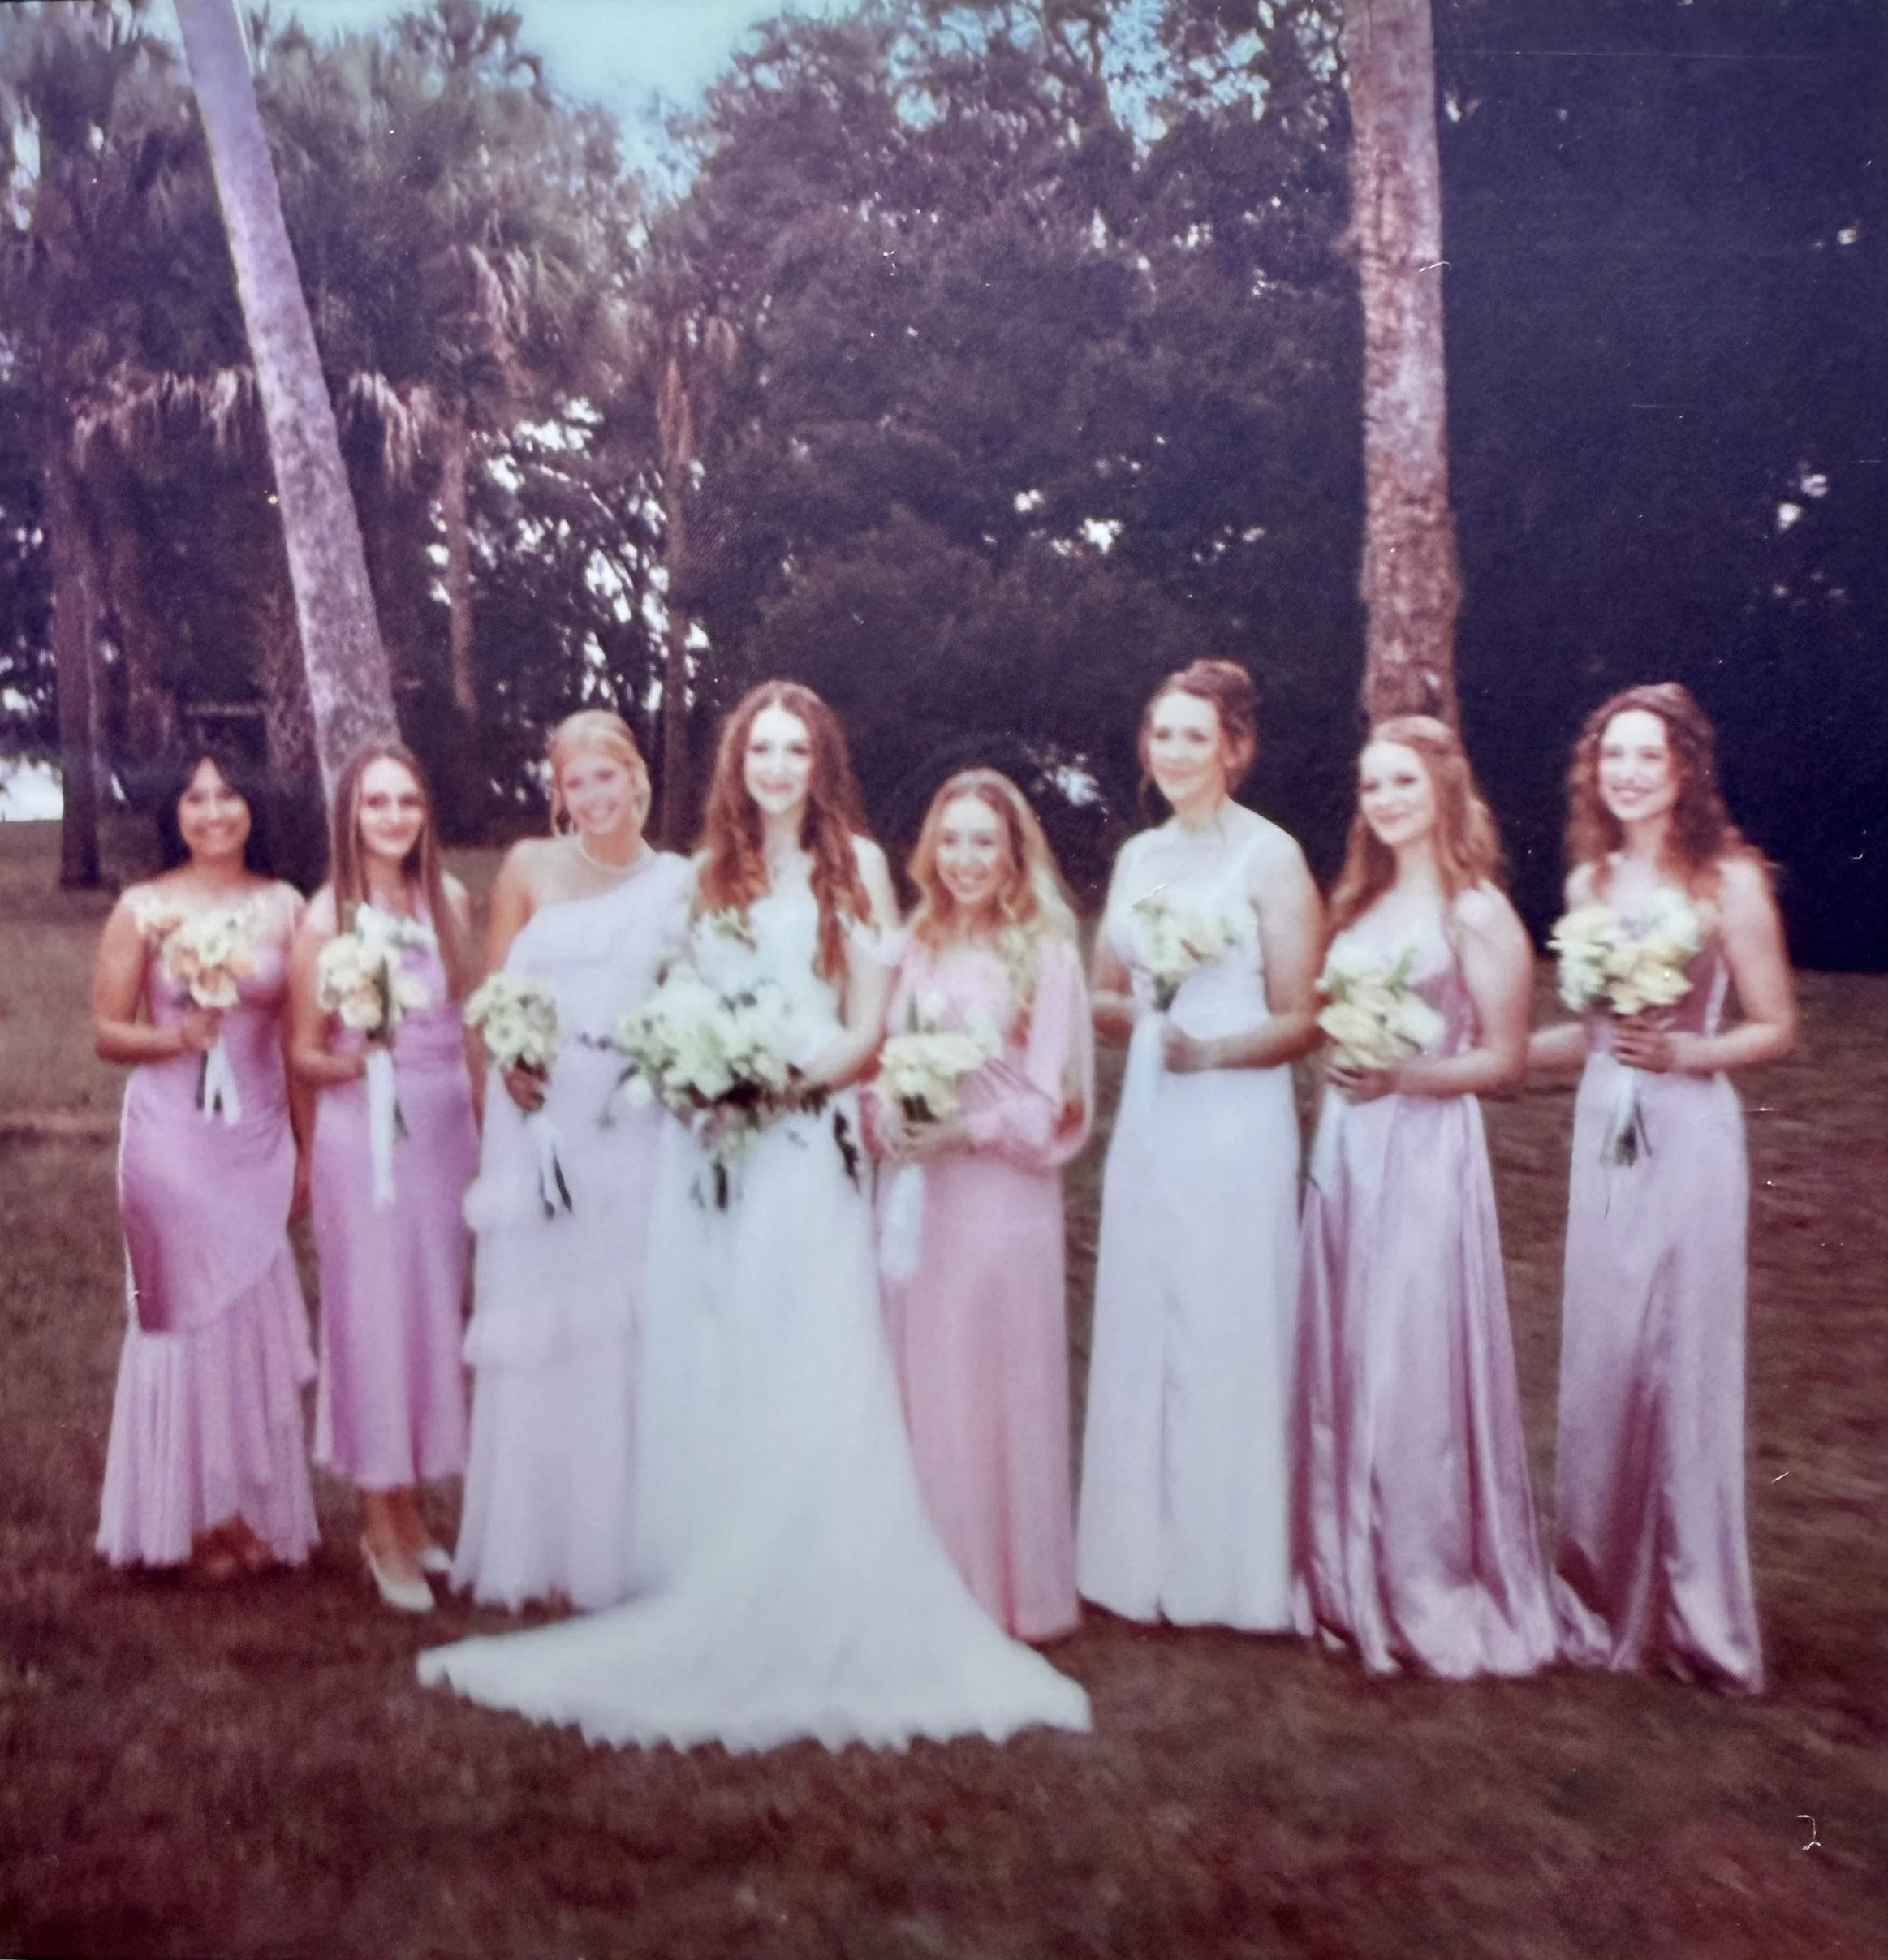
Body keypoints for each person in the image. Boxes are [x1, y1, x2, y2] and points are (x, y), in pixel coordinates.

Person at [418, 682, 1090, 1751]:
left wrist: (777, 1082)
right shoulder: (709, 873)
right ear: (738, 761)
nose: (776, 767)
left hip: (800, 1138)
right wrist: (696, 1073)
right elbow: (675, 997)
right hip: (705, 1148)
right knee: (713, 1348)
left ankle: (811, 1566)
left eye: (794, 749)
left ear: (819, 760)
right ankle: (704, 1563)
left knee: (808, 1347)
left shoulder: (859, 867)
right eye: (759, 749)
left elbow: (867, 1026)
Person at [1532, 683, 1795, 1693]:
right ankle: (1598, 1598)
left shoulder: (1728, 880)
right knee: (1601, 1358)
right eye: (1612, 758)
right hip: (1605, 1127)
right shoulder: (1589, 885)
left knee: (1680, 1357)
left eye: (1648, 756)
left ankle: (1696, 1613)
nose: (1628, 773)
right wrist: (1487, 1052)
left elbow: (1773, 1026)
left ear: (1684, 769)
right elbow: (1593, 1036)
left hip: (1688, 1131)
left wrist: (1685, 1053)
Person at [1292, 716, 1556, 1679]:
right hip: (1347, 1143)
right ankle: (1336, 1564)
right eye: (1372, 786)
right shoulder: (1354, 903)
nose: (1386, 800)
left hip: (1425, 1145)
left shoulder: (1476, 912)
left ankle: (1422, 1575)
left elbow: (1506, 1058)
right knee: (1343, 1345)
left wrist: (1406, 1078)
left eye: (1402, 782)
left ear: (1444, 789)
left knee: (1411, 1354)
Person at [1075, 659, 1322, 1630]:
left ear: (1236, 748)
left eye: (1194, 736)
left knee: (1226, 1317)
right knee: (1150, 1310)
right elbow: (1100, 991)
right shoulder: (1137, 859)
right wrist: (1145, 1020)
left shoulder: (1271, 858)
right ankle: (1137, 1552)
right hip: (1151, 1112)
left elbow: (1306, 1017)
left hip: (1233, 1111)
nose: (1173, 752)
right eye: (1160, 734)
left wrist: (1209, 1049)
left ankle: (1231, 1566)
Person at [451, 710, 692, 1610]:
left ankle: (625, 1542)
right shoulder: (526, 867)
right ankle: (535, 1539)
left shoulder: (679, 882)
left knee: (626, 1317)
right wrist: (509, 1058)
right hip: (540, 1114)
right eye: (574, 782)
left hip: (632, 1115)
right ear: (558, 793)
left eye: (608, 776)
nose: (594, 796)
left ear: (639, 778)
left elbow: (690, 994)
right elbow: (491, 990)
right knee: (541, 1313)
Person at [869, 769, 1094, 1642]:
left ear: (1013, 855)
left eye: (983, 843)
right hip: (916, 1189)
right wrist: (888, 1120)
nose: (965, 859)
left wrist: (959, 1135)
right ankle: (918, 1575)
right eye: (951, 840)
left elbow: (1053, 1106)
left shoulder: (1046, 952)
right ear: (931, 849)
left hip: (1000, 1196)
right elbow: (883, 1059)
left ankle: (1004, 1591)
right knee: (918, 1373)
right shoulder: (915, 943)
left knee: (993, 1380)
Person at [93, 747, 318, 1580]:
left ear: (253, 807)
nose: (215, 810)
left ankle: (246, 1508)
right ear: (174, 812)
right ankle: (186, 1521)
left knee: (246, 1317)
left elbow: (298, 1043)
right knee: (180, 1317)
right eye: (196, 797)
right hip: (169, 1145)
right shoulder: (144, 907)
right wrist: (177, 1036)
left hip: (256, 1140)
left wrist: (305, 1149)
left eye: (229, 794)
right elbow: (107, 1032)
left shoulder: (286, 906)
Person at [289, 743, 478, 1613]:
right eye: (376, 803)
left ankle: (412, 1508)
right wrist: (364, 1060)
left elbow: (470, 1021)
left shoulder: (448, 902)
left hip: (442, 1131)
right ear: (350, 817)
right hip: (358, 1138)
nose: (394, 817)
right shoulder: (328, 916)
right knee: (371, 1320)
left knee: (429, 1315)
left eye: (407, 800)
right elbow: (299, 1052)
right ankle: (378, 1522)